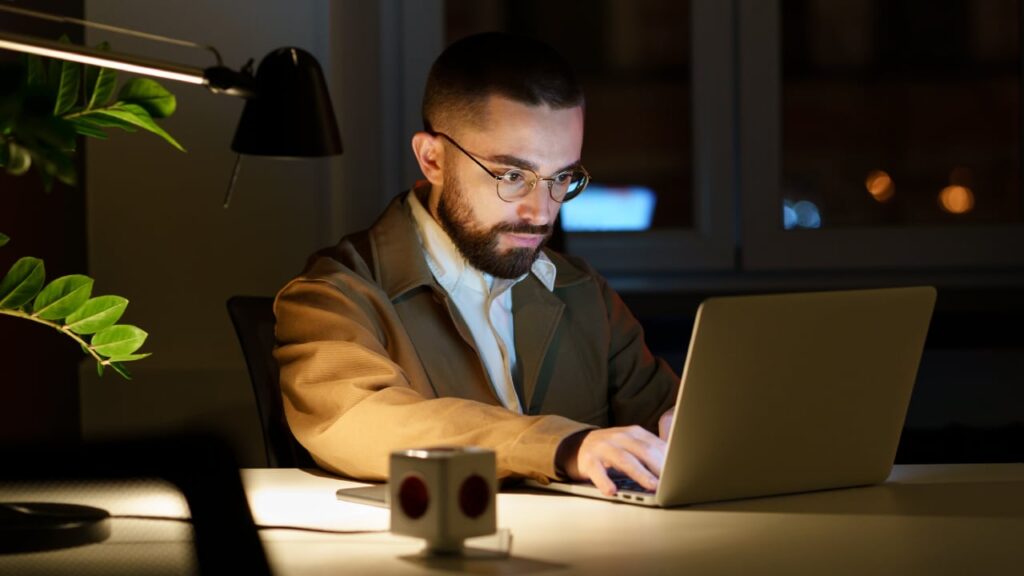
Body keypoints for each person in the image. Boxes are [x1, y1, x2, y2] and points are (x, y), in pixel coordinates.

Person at [274, 32, 678, 496]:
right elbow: (360, 419)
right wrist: (564, 446)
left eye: (561, 177)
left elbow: (671, 421)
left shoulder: (585, 293)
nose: (541, 211)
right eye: (511, 175)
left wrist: (686, 426)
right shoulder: (331, 296)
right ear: (432, 159)